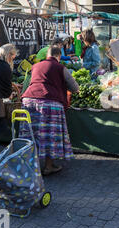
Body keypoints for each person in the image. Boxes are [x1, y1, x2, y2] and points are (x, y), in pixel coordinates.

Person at [19, 46, 79, 176]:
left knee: (31, 134)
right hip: (49, 102)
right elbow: (74, 87)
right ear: (58, 56)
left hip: (28, 100)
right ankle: (48, 166)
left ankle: (29, 166)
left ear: (47, 55)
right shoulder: (60, 68)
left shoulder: (35, 66)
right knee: (49, 134)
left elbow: (28, 83)